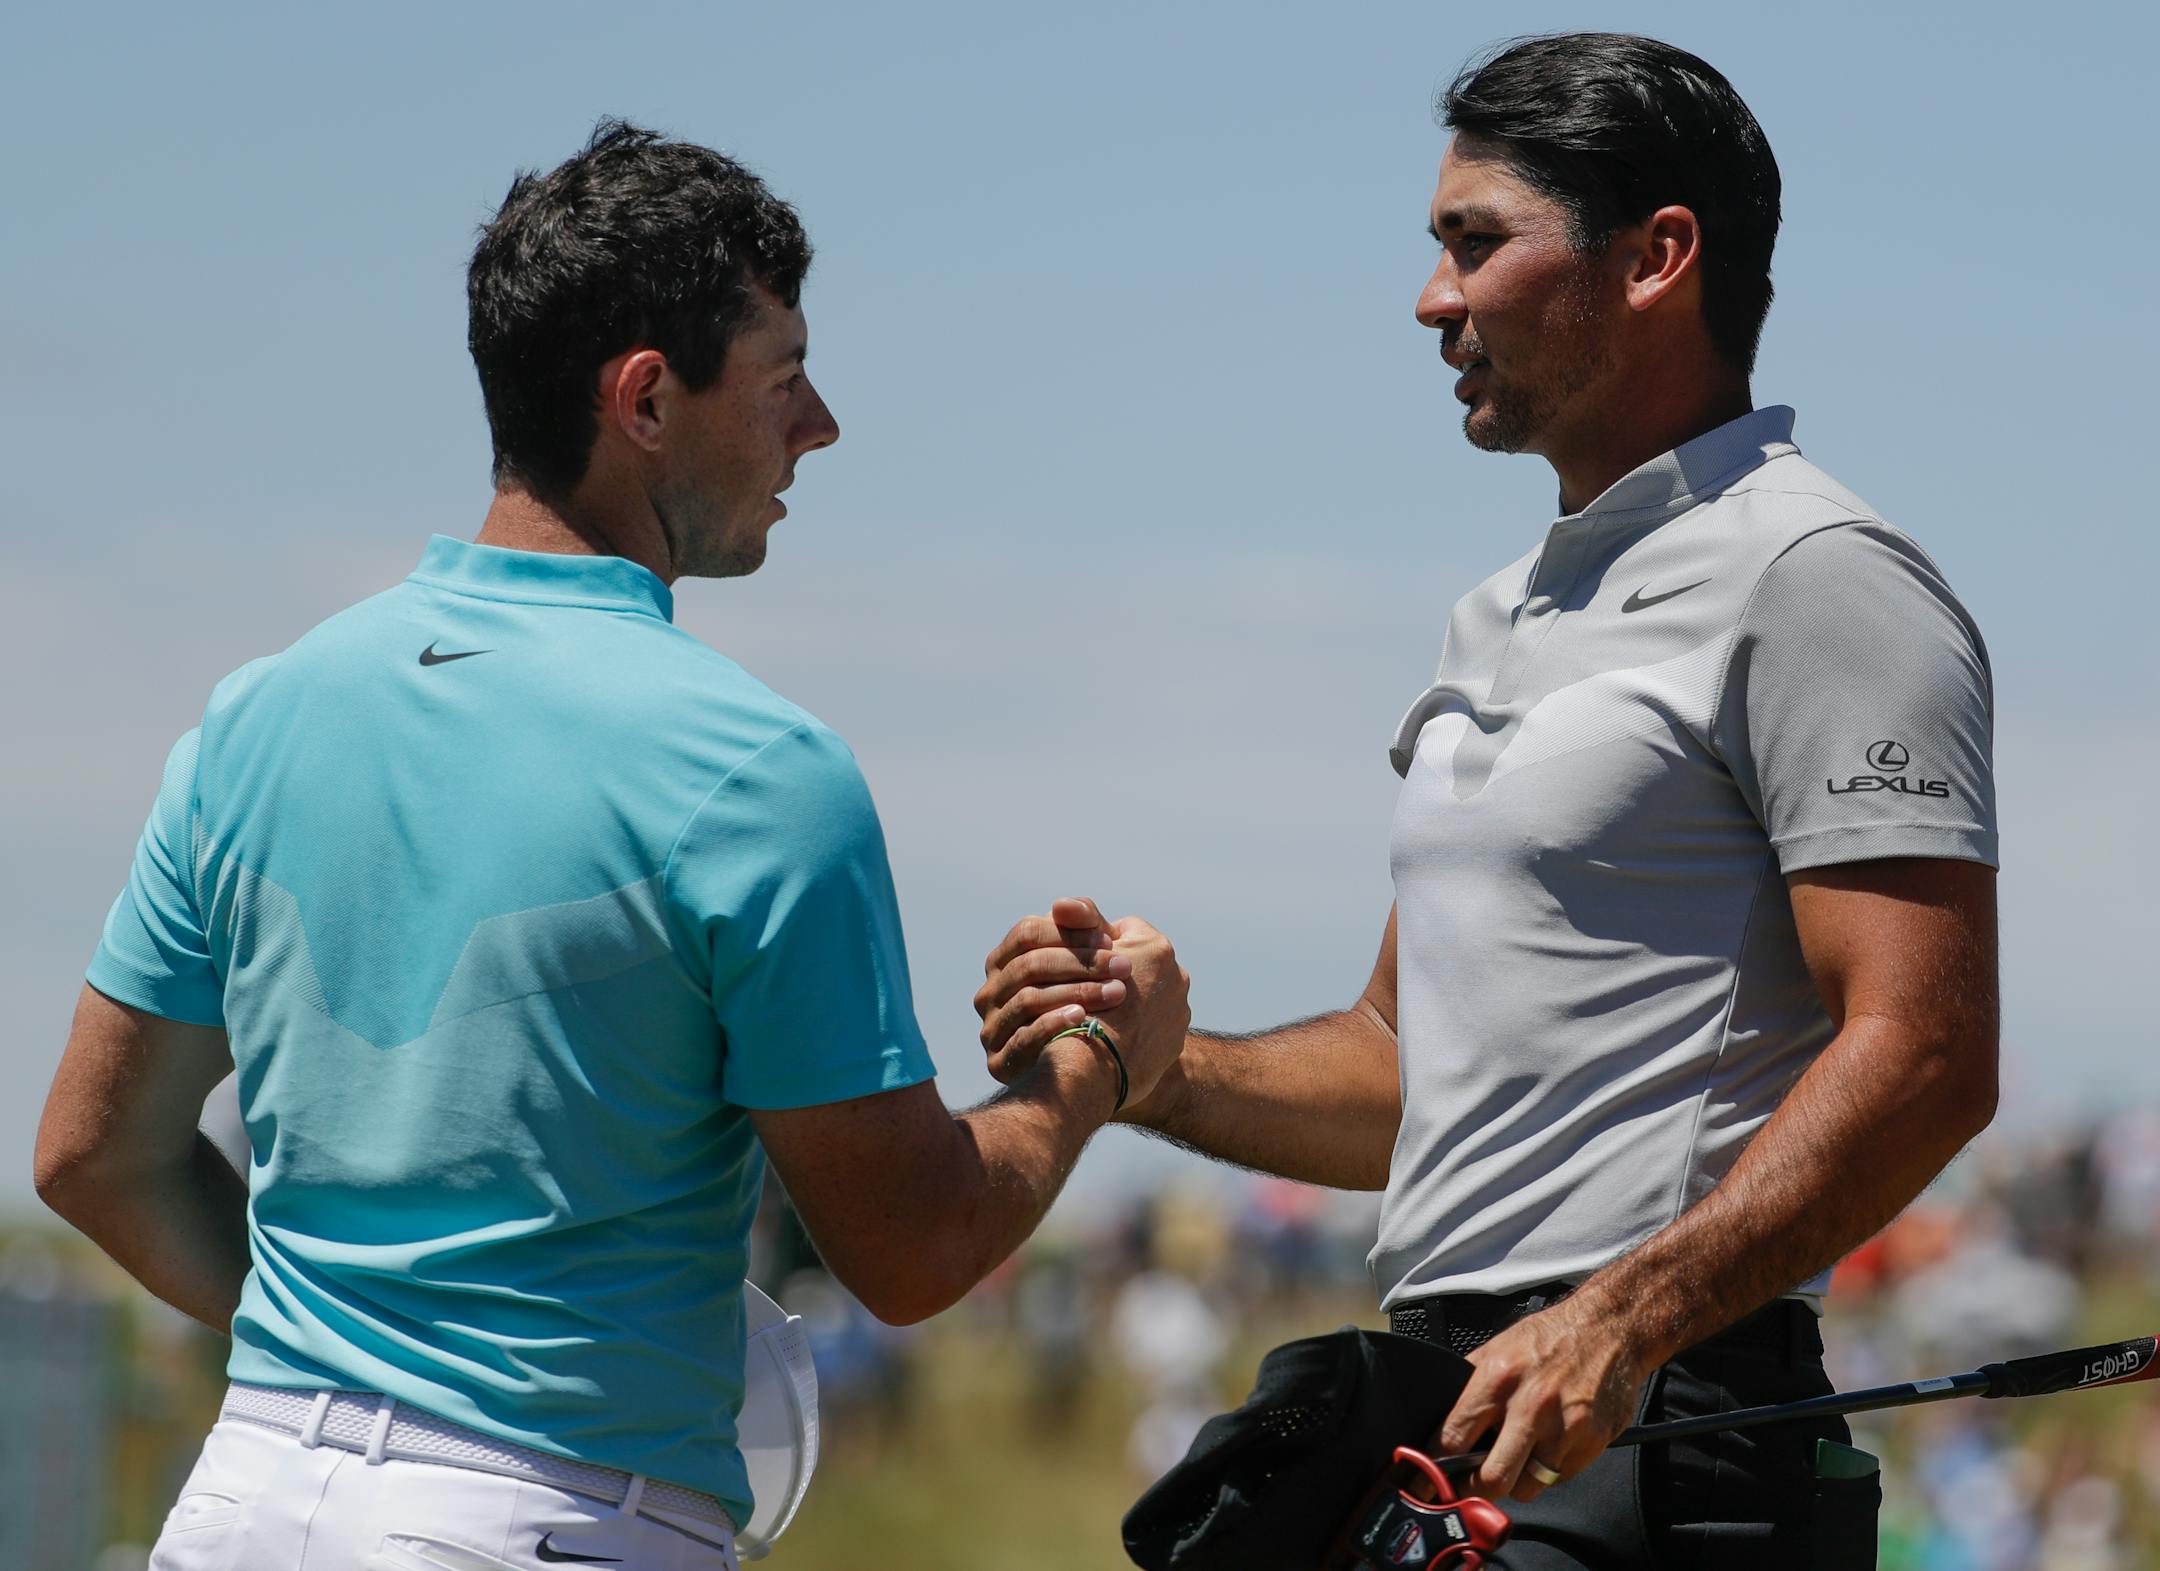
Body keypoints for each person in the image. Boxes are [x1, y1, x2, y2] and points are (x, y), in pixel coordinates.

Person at [33, 120, 1189, 1571]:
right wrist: (1098, 1065)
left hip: (243, 1495)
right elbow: (911, 1251)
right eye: (783, 378)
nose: (818, 423)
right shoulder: (757, 770)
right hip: (543, 1518)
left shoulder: (252, 717)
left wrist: (350, 1354)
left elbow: (92, 1156)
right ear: (645, 399)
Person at [977, 33, 1998, 1569]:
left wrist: (1625, 1319)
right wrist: (1155, 1068)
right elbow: (1409, 1067)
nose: (1432, 297)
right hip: (1470, 1412)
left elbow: (1925, 1050)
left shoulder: (1821, 577)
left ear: (1657, 259)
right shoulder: (1497, 611)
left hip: (1668, 1432)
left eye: (1475, 243)